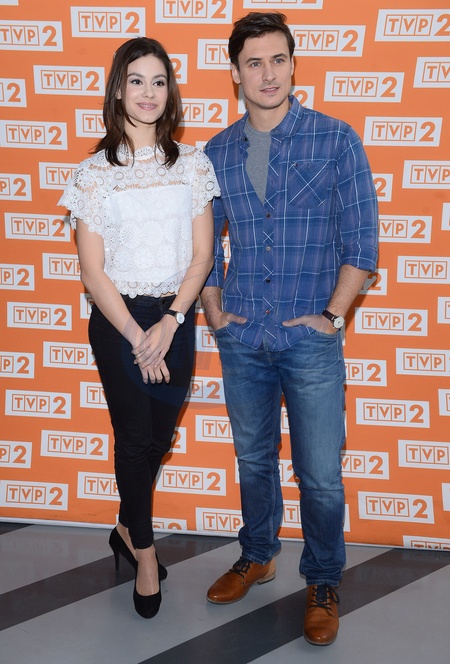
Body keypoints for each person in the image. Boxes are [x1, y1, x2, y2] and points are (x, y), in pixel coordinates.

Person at [201, 12, 378, 646]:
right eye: (254, 62)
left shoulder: (337, 140)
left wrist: (331, 317)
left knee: (321, 473)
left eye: (278, 59)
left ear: (294, 65)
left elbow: (362, 244)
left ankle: (323, 581)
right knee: (253, 460)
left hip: (310, 341)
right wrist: (214, 308)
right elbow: (203, 245)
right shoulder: (216, 152)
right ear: (236, 73)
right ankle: (257, 554)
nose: (268, 73)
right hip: (244, 337)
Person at [59, 37, 219, 619]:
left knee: (159, 439)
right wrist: (136, 336)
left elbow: (202, 255)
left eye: (158, 81)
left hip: (175, 317)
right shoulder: (93, 175)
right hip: (117, 321)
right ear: (118, 90)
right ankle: (145, 554)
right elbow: (92, 271)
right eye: (136, 80)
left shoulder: (192, 165)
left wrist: (171, 322)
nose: (148, 93)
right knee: (132, 437)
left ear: (169, 91)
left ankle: (127, 526)